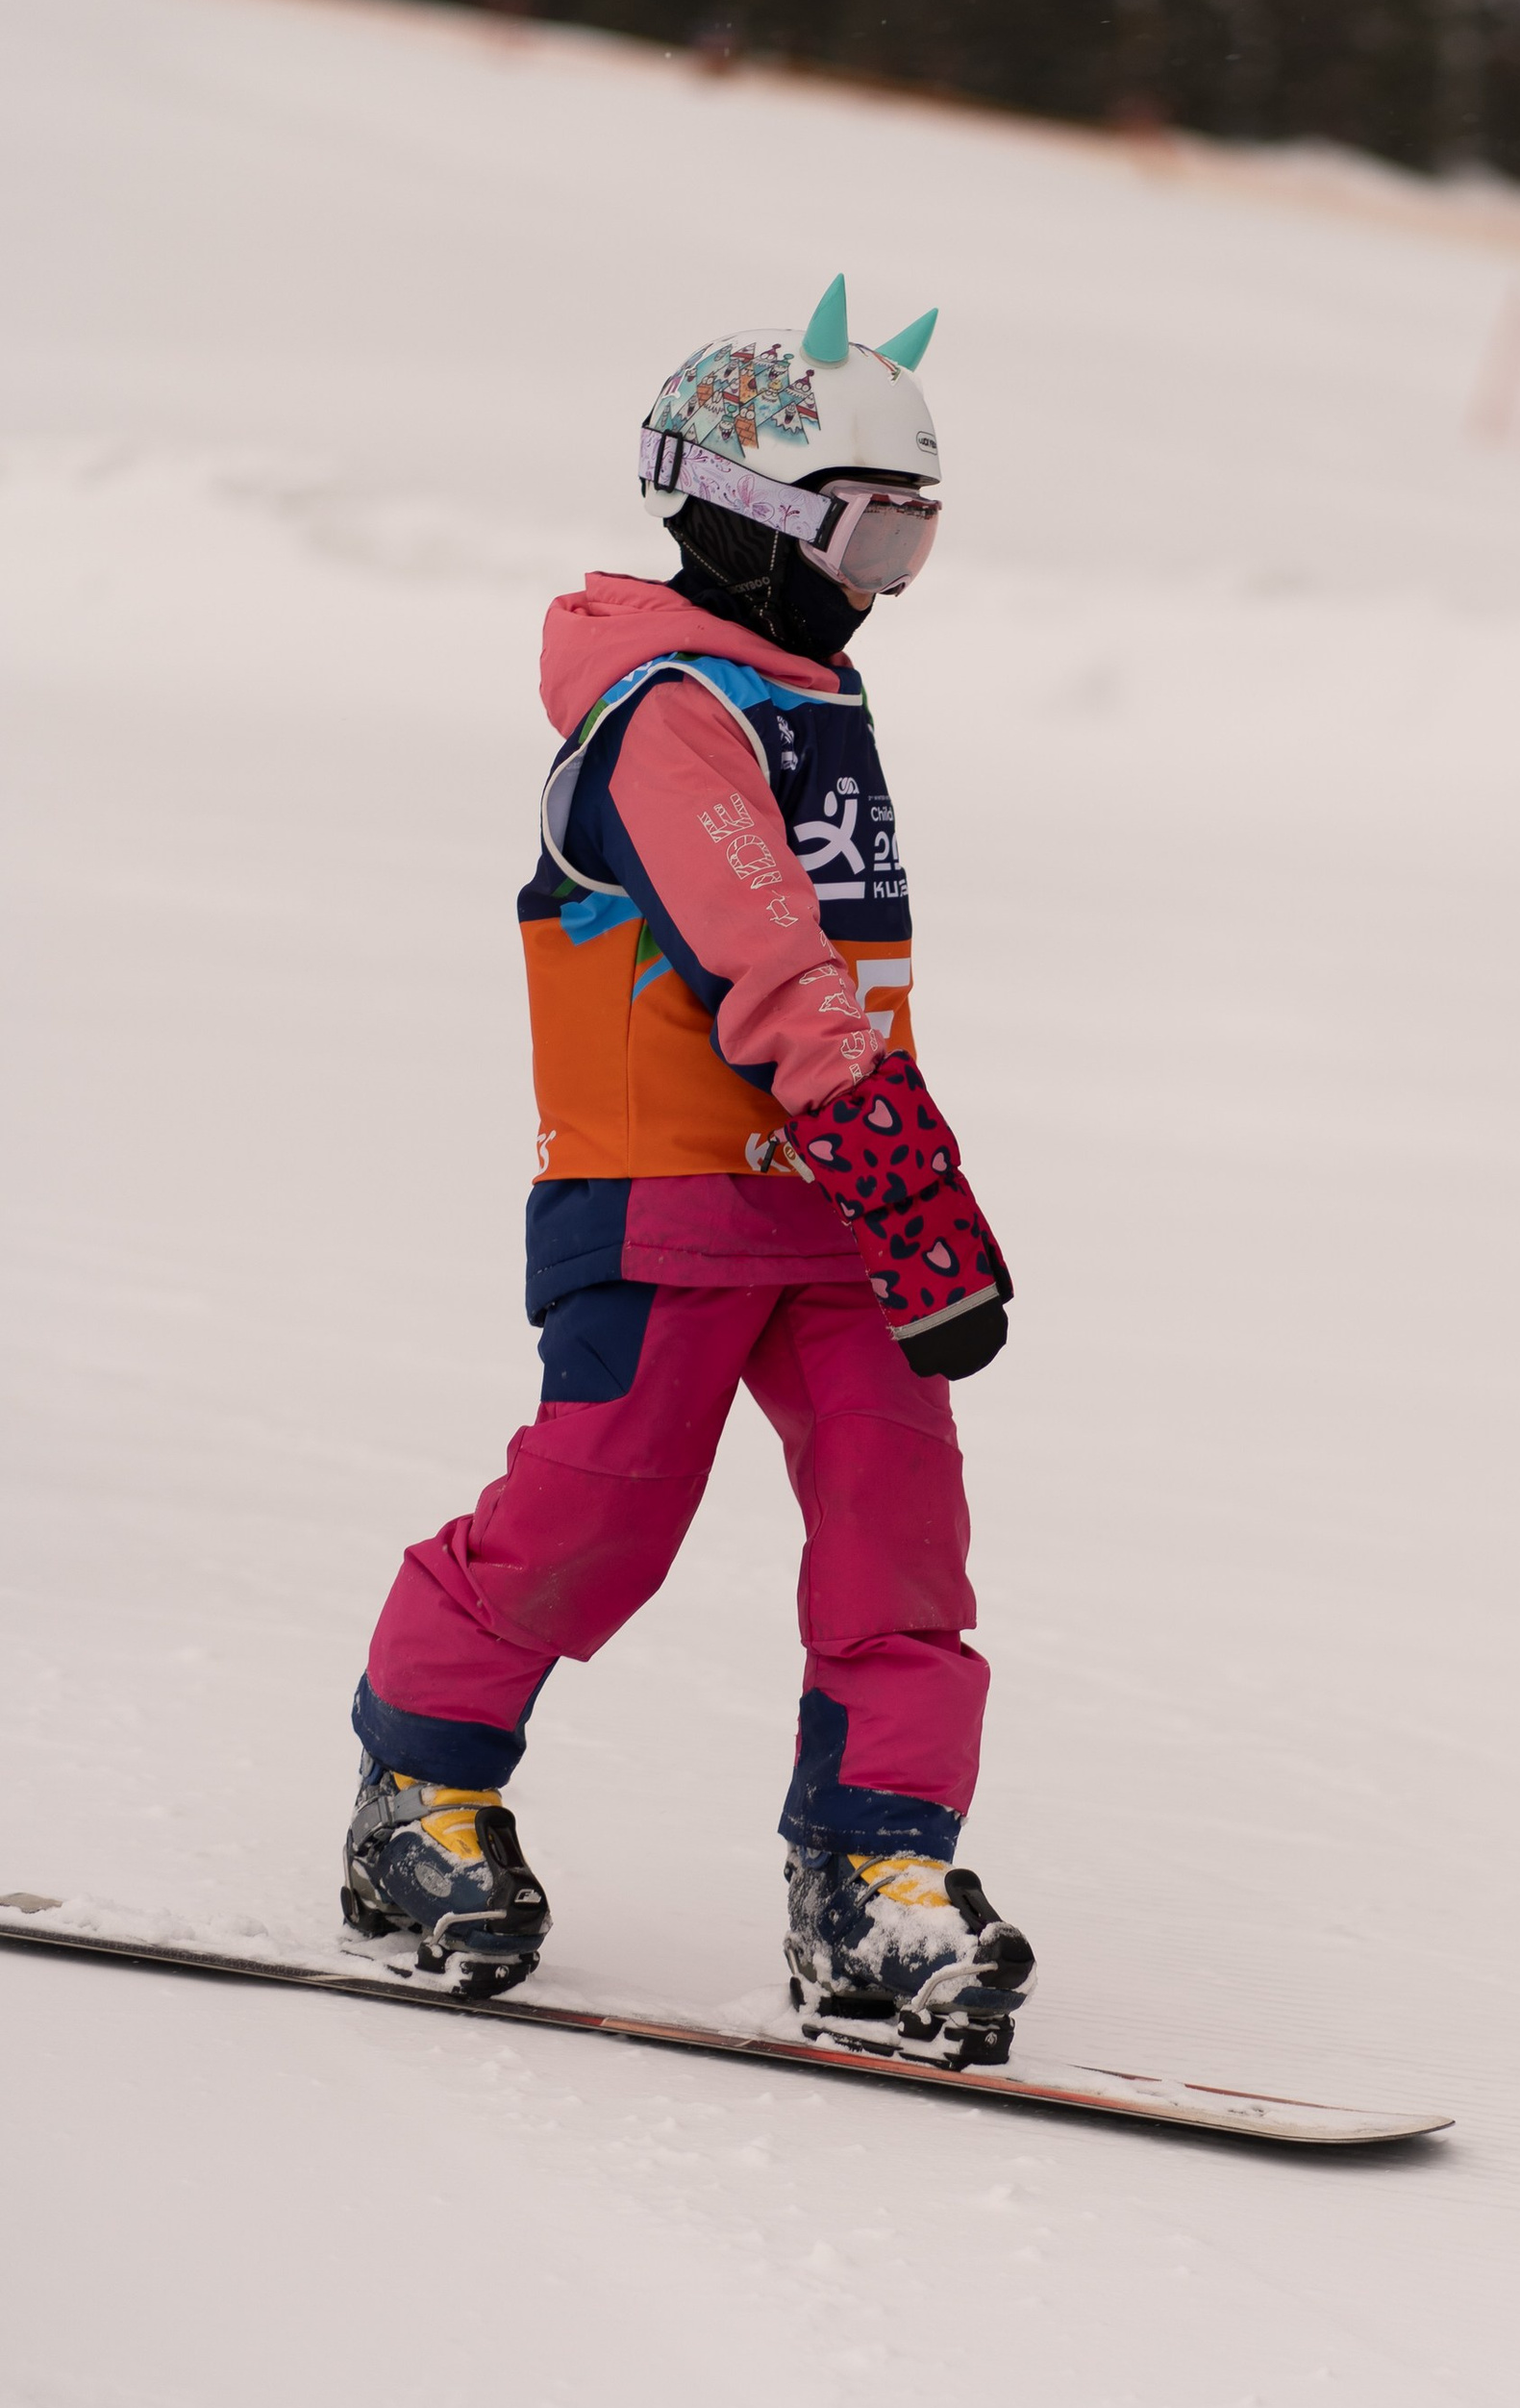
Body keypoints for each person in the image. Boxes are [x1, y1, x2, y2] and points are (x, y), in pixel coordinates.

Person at [338, 279, 1034, 2068]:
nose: (882, 583)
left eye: (915, 538)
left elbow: (852, 992)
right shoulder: (664, 713)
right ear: (749, 511)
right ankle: (420, 1791)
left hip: (839, 1221)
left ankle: (873, 1875)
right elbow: (771, 966)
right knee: (593, 1523)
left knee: (903, 1548)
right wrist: (911, 1182)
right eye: (870, 534)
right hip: (662, 1206)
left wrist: (894, 1193)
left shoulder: (807, 700)